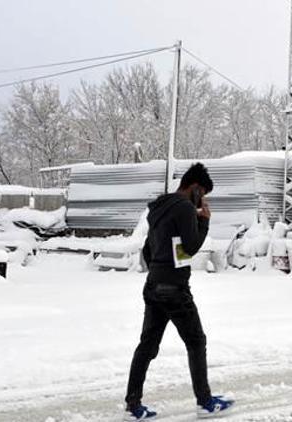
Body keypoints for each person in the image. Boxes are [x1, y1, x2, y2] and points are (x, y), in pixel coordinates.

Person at [124, 163, 234, 421]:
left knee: (147, 347)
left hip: (153, 286)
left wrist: (160, 269)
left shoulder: (159, 208)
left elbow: (148, 250)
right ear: (194, 187)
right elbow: (191, 246)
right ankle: (205, 402)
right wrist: (204, 221)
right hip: (174, 289)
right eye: (203, 193)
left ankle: (133, 405)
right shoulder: (185, 207)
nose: (203, 198)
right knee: (196, 342)